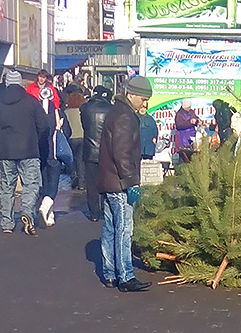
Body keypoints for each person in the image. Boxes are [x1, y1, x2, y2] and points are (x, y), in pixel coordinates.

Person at [98, 76, 152, 292]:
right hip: (120, 182)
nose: (145, 104)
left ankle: (110, 273)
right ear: (131, 95)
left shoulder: (117, 111)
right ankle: (126, 276)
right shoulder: (125, 116)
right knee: (124, 229)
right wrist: (131, 182)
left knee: (110, 228)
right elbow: (122, 153)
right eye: (143, 98)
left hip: (110, 180)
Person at [0, 71, 49, 235]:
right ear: (20, 83)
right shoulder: (32, 102)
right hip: (29, 151)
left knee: (6, 188)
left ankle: (7, 223)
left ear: (6, 83)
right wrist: (37, 141)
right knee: (31, 185)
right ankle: (27, 212)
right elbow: (44, 126)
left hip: (5, 152)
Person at [37, 87, 72, 228]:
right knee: (53, 187)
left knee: (44, 184)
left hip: (40, 154)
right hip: (55, 154)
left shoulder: (36, 113)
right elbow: (68, 132)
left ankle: (49, 215)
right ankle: (44, 208)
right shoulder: (59, 113)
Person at [81, 86, 112, 222]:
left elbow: (84, 126)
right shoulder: (110, 110)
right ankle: (106, 210)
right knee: (106, 182)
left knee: (91, 184)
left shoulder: (85, 108)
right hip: (106, 151)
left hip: (89, 150)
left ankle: (94, 213)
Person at [64, 92, 87, 190]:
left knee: (71, 158)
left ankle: (74, 175)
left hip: (71, 138)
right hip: (82, 137)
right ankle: (82, 182)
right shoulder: (82, 111)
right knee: (81, 160)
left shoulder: (66, 112)